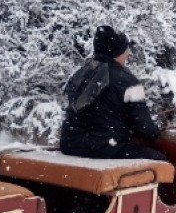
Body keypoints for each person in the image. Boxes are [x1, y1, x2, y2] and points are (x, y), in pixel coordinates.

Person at [60, 25, 167, 162]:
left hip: (70, 144)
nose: (128, 53)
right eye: (126, 49)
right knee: (160, 160)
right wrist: (157, 132)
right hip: (105, 148)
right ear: (118, 52)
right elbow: (144, 128)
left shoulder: (80, 73)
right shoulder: (129, 81)